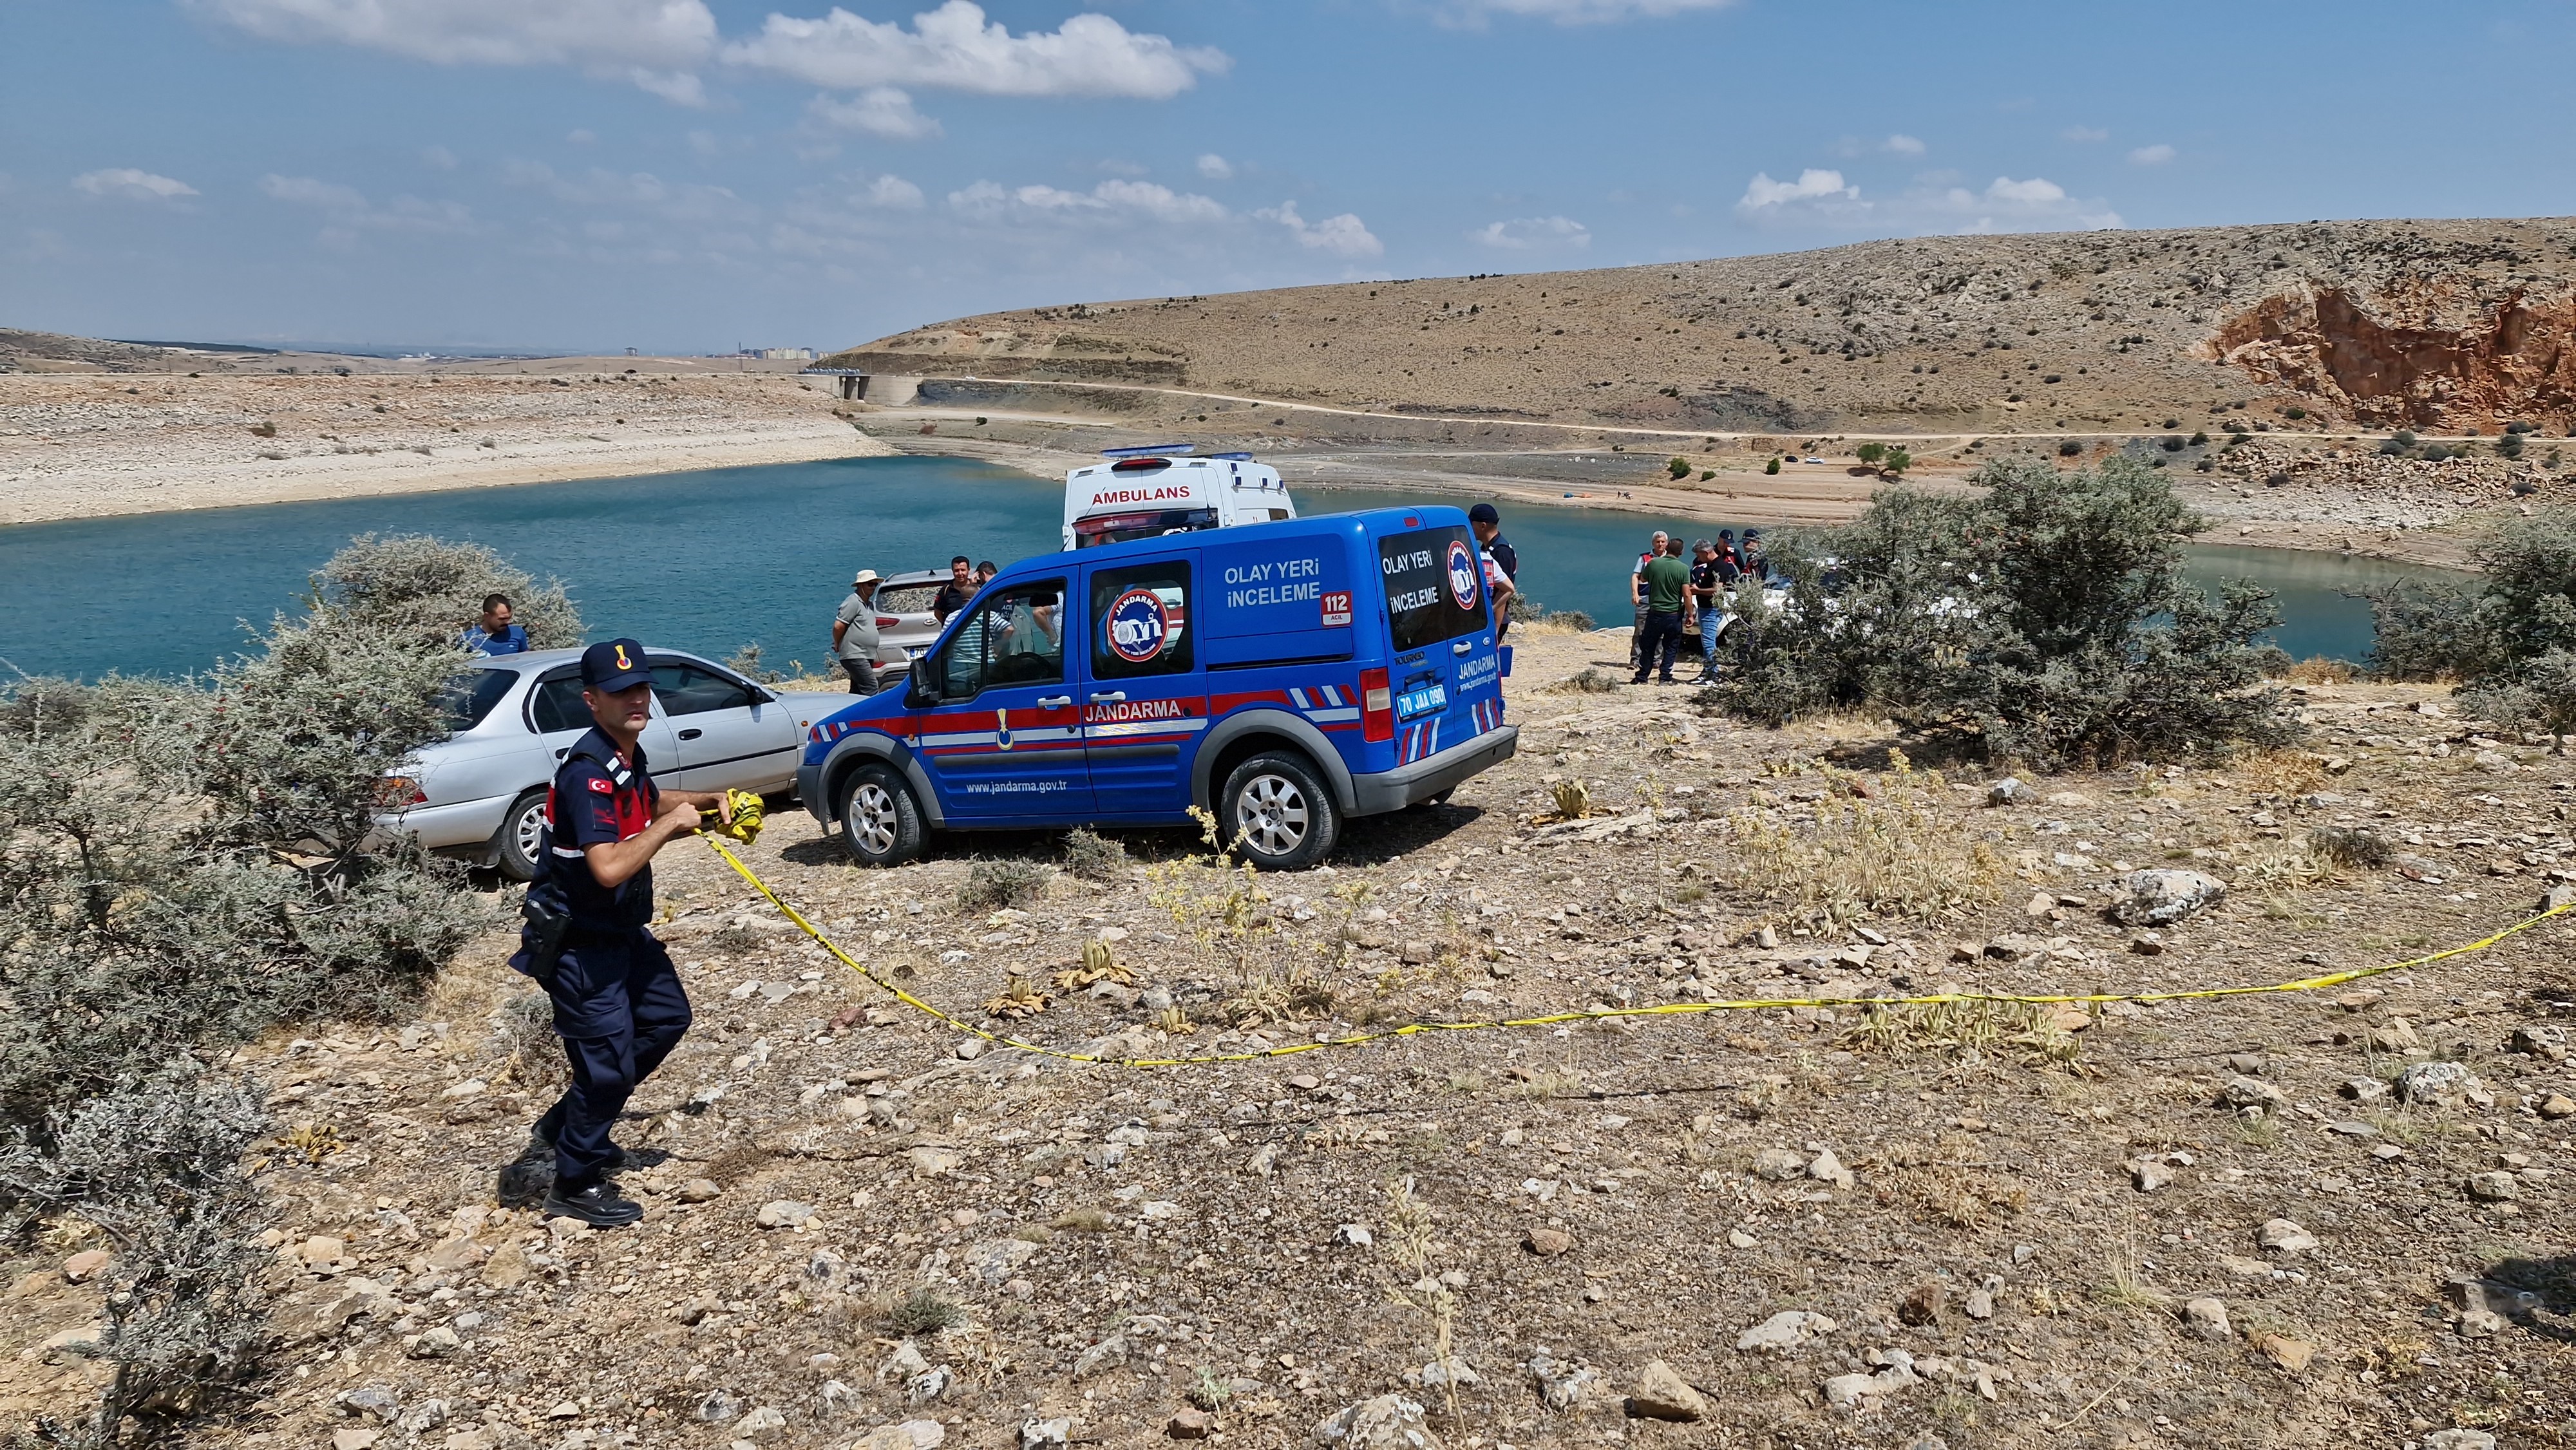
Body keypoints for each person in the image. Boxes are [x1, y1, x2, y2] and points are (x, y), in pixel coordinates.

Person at [504, 639, 734, 1228]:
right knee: (607, 1071)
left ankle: (567, 1125)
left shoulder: (623, 758)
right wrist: (675, 827)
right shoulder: (585, 774)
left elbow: (650, 802)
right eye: (620, 691)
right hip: (580, 944)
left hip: (622, 934)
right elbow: (607, 866)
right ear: (591, 700)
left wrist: (703, 804)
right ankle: (574, 1181)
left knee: (666, 1018)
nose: (637, 699)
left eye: (641, 688)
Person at [1633, 540, 1693, 686]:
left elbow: (1643, 578)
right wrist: (1690, 614)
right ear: (1682, 552)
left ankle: (1642, 677)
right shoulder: (1683, 568)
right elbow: (1686, 594)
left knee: (1648, 645)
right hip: (1673, 614)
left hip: (1655, 613)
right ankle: (1665, 678)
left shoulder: (1653, 563)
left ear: (1667, 548)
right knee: (1671, 646)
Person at [1470, 503, 1518, 641]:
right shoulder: (1487, 547)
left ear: (1483, 526)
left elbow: (1502, 591)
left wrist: (1495, 629)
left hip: (1496, 621)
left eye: (1471, 524)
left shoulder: (1501, 552)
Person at [833, 569, 884, 696]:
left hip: (865, 654)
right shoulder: (853, 602)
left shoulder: (869, 605)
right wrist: (837, 643)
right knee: (871, 687)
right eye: (870, 584)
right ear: (861, 585)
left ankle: (851, 714)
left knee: (857, 693)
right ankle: (874, 714)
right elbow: (838, 626)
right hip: (855, 654)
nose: (873, 587)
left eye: (875, 584)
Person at [1688, 540, 1728, 684]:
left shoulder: (1719, 565)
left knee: (1709, 643)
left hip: (1712, 609)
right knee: (1706, 642)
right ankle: (1707, 671)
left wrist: (1698, 590)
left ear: (1706, 553)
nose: (1698, 559)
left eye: (1699, 556)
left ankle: (1714, 675)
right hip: (1705, 608)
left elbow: (1717, 590)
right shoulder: (1711, 565)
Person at [1629, 530, 1669, 670]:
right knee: (1640, 630)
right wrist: (1635, 594)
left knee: (1660, 631)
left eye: (1663, 542)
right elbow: (1635, 577)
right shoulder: (1644, 558)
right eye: (1657, 542)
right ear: (1653, 543)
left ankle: (1656, 659)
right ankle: (1635, 659)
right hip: (1645, 599)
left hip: (1662, 600)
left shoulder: (1669, 559)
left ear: (1667, 544)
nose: (1660, 544)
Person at [463, 594, 529, 655]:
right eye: (502, 619)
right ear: (487, 616)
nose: (508, 622)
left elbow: (526, 661)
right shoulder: (468, 638)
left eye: (509, 618)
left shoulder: (517, 633)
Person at [931, 556, 976, 625]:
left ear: (968, 570)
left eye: (963, 570)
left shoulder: (976, 588)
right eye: (957, 571)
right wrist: (948, 625)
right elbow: (937, 612)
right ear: (952, 571)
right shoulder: (946, 590)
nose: (960, 573)